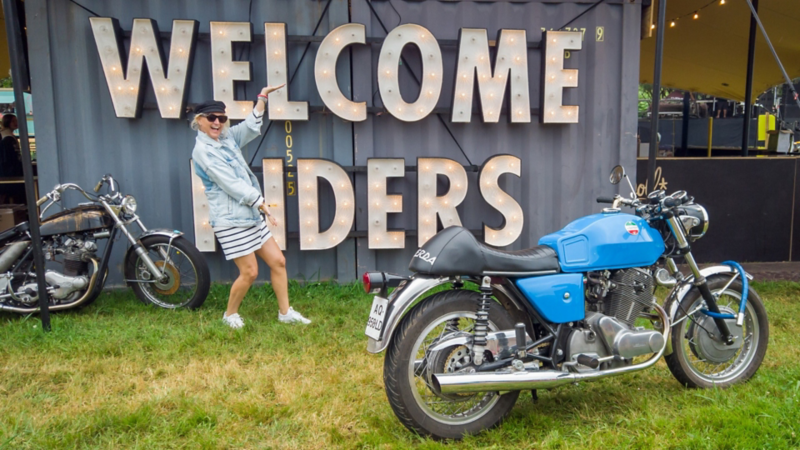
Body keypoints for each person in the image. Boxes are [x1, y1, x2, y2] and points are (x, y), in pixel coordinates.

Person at [191, 85, 311, 328]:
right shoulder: (203, 151)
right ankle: (230, 315)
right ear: (199, 121)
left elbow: (248, 128)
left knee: (278, 261)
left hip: (249, 215)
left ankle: (285, 313)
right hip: (230, 220)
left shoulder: (225, 138)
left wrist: (262, 98)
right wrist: (260, 203)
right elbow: (229, 182)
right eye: (212, 118)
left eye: (222, 118)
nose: (217, 122)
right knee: (250, 272)